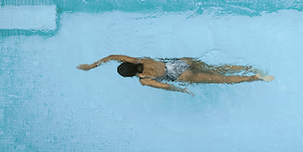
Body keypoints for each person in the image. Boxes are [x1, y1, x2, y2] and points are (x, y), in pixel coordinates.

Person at [77, 54, 272, 94]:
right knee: (217, 69)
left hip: (182, 76)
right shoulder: (140, 60)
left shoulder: (144, 80)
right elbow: (112, 56)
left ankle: (256, 77)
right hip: (180, 62)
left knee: (223, 80)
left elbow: (166, 86)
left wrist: (183, 91)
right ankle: (249, 68)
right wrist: (92, 65)